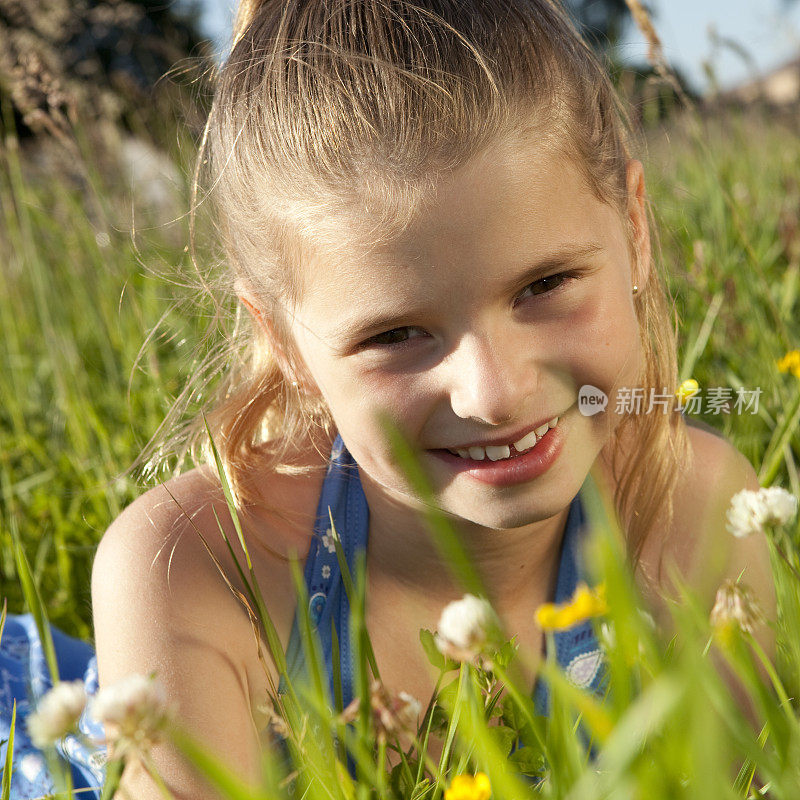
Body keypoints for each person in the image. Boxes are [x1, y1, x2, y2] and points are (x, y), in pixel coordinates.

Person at [0, 1, 778, 798]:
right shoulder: (203, 569)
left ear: (636, 230)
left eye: (545, 285)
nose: (494, 392)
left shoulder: (691, 513)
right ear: (285, 342)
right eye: (397, 334)